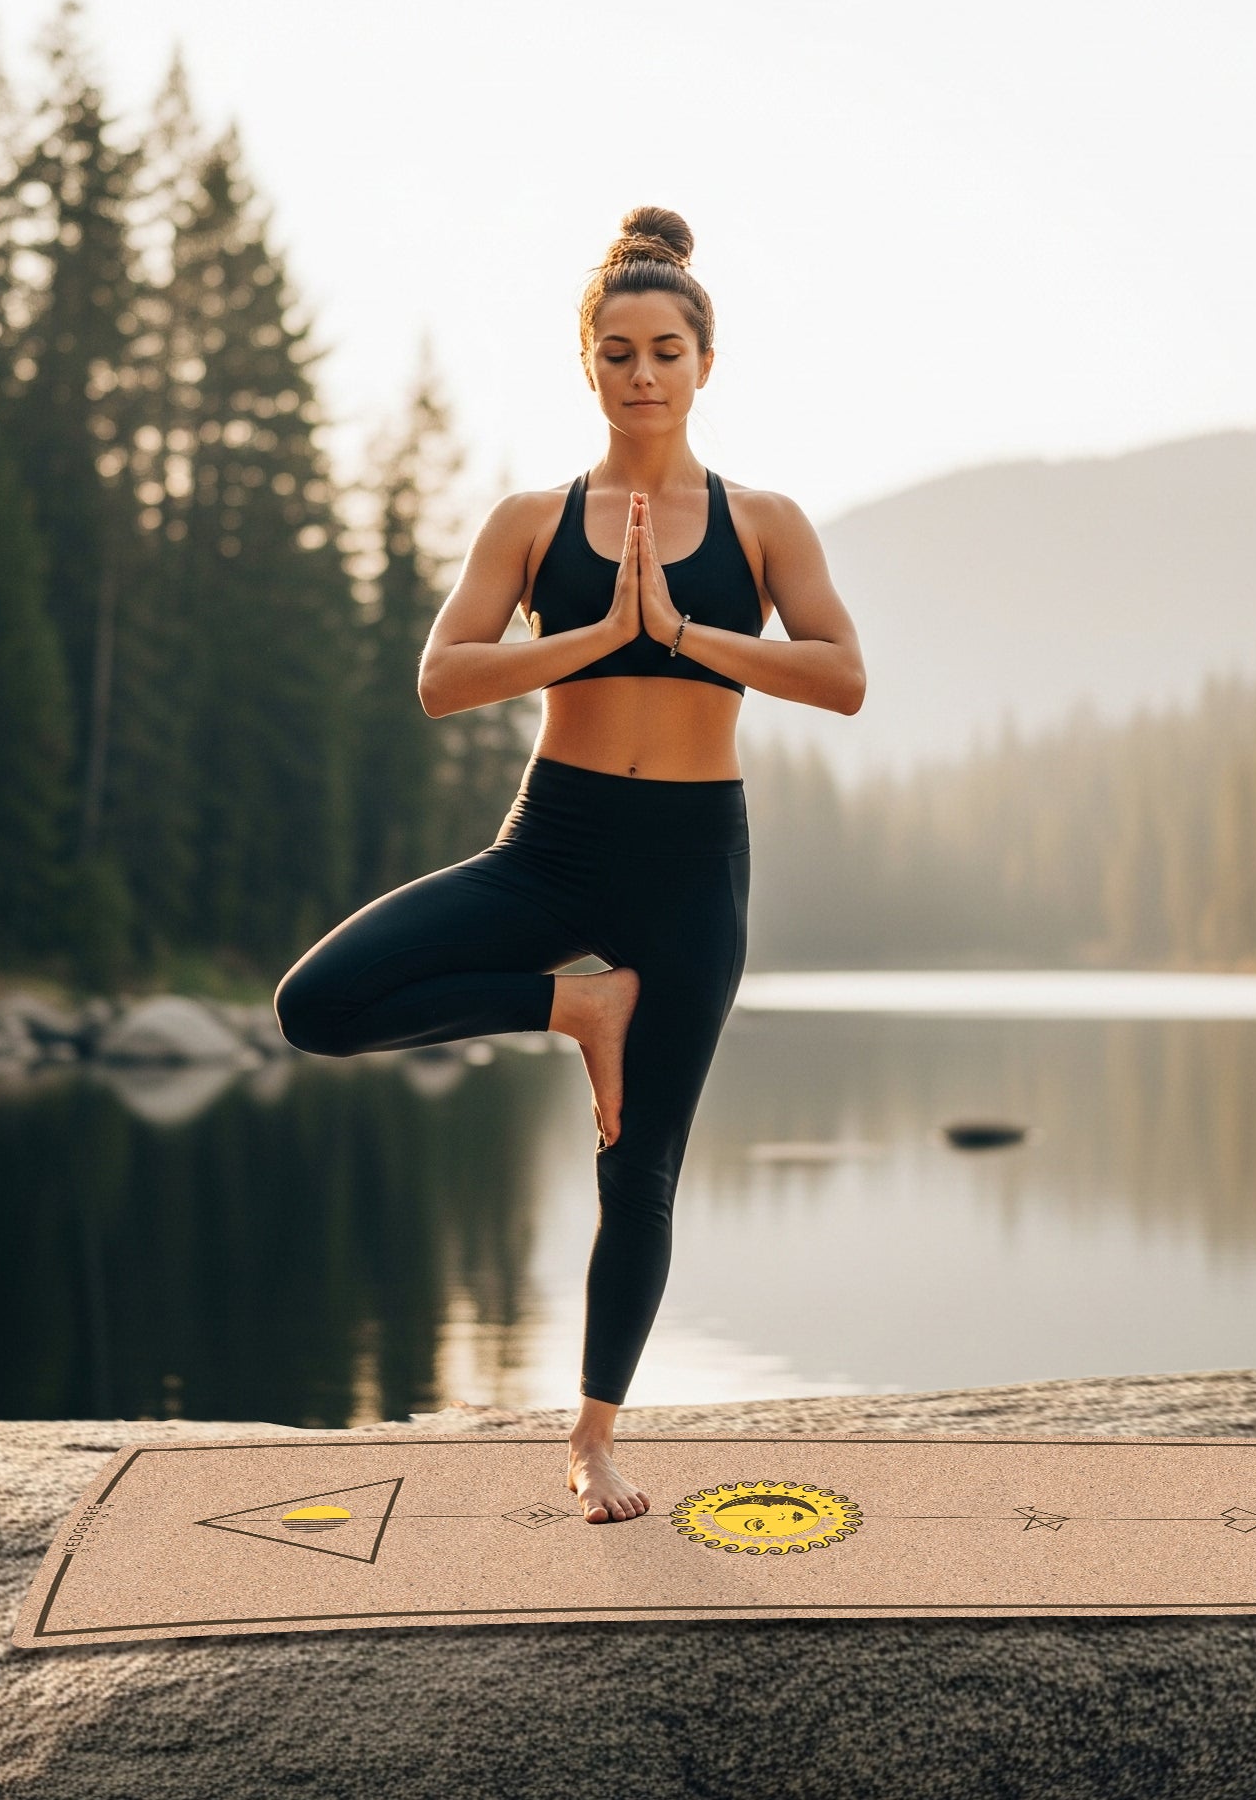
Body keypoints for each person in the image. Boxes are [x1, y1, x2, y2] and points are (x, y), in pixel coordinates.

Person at [274, 207, 865, 1521]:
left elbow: (843, 679)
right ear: (585, 366)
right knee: (316, 1006)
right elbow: (443, 678)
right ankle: (575, 1007)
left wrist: (690, 635)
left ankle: (594, 1441)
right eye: (617, 351)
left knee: (637, 1169)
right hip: (554, 842)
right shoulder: (532, 523)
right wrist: (598, 633)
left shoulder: (763, 525)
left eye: (665, 348)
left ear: (705, 361)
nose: (642, 372)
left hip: (692, 863)